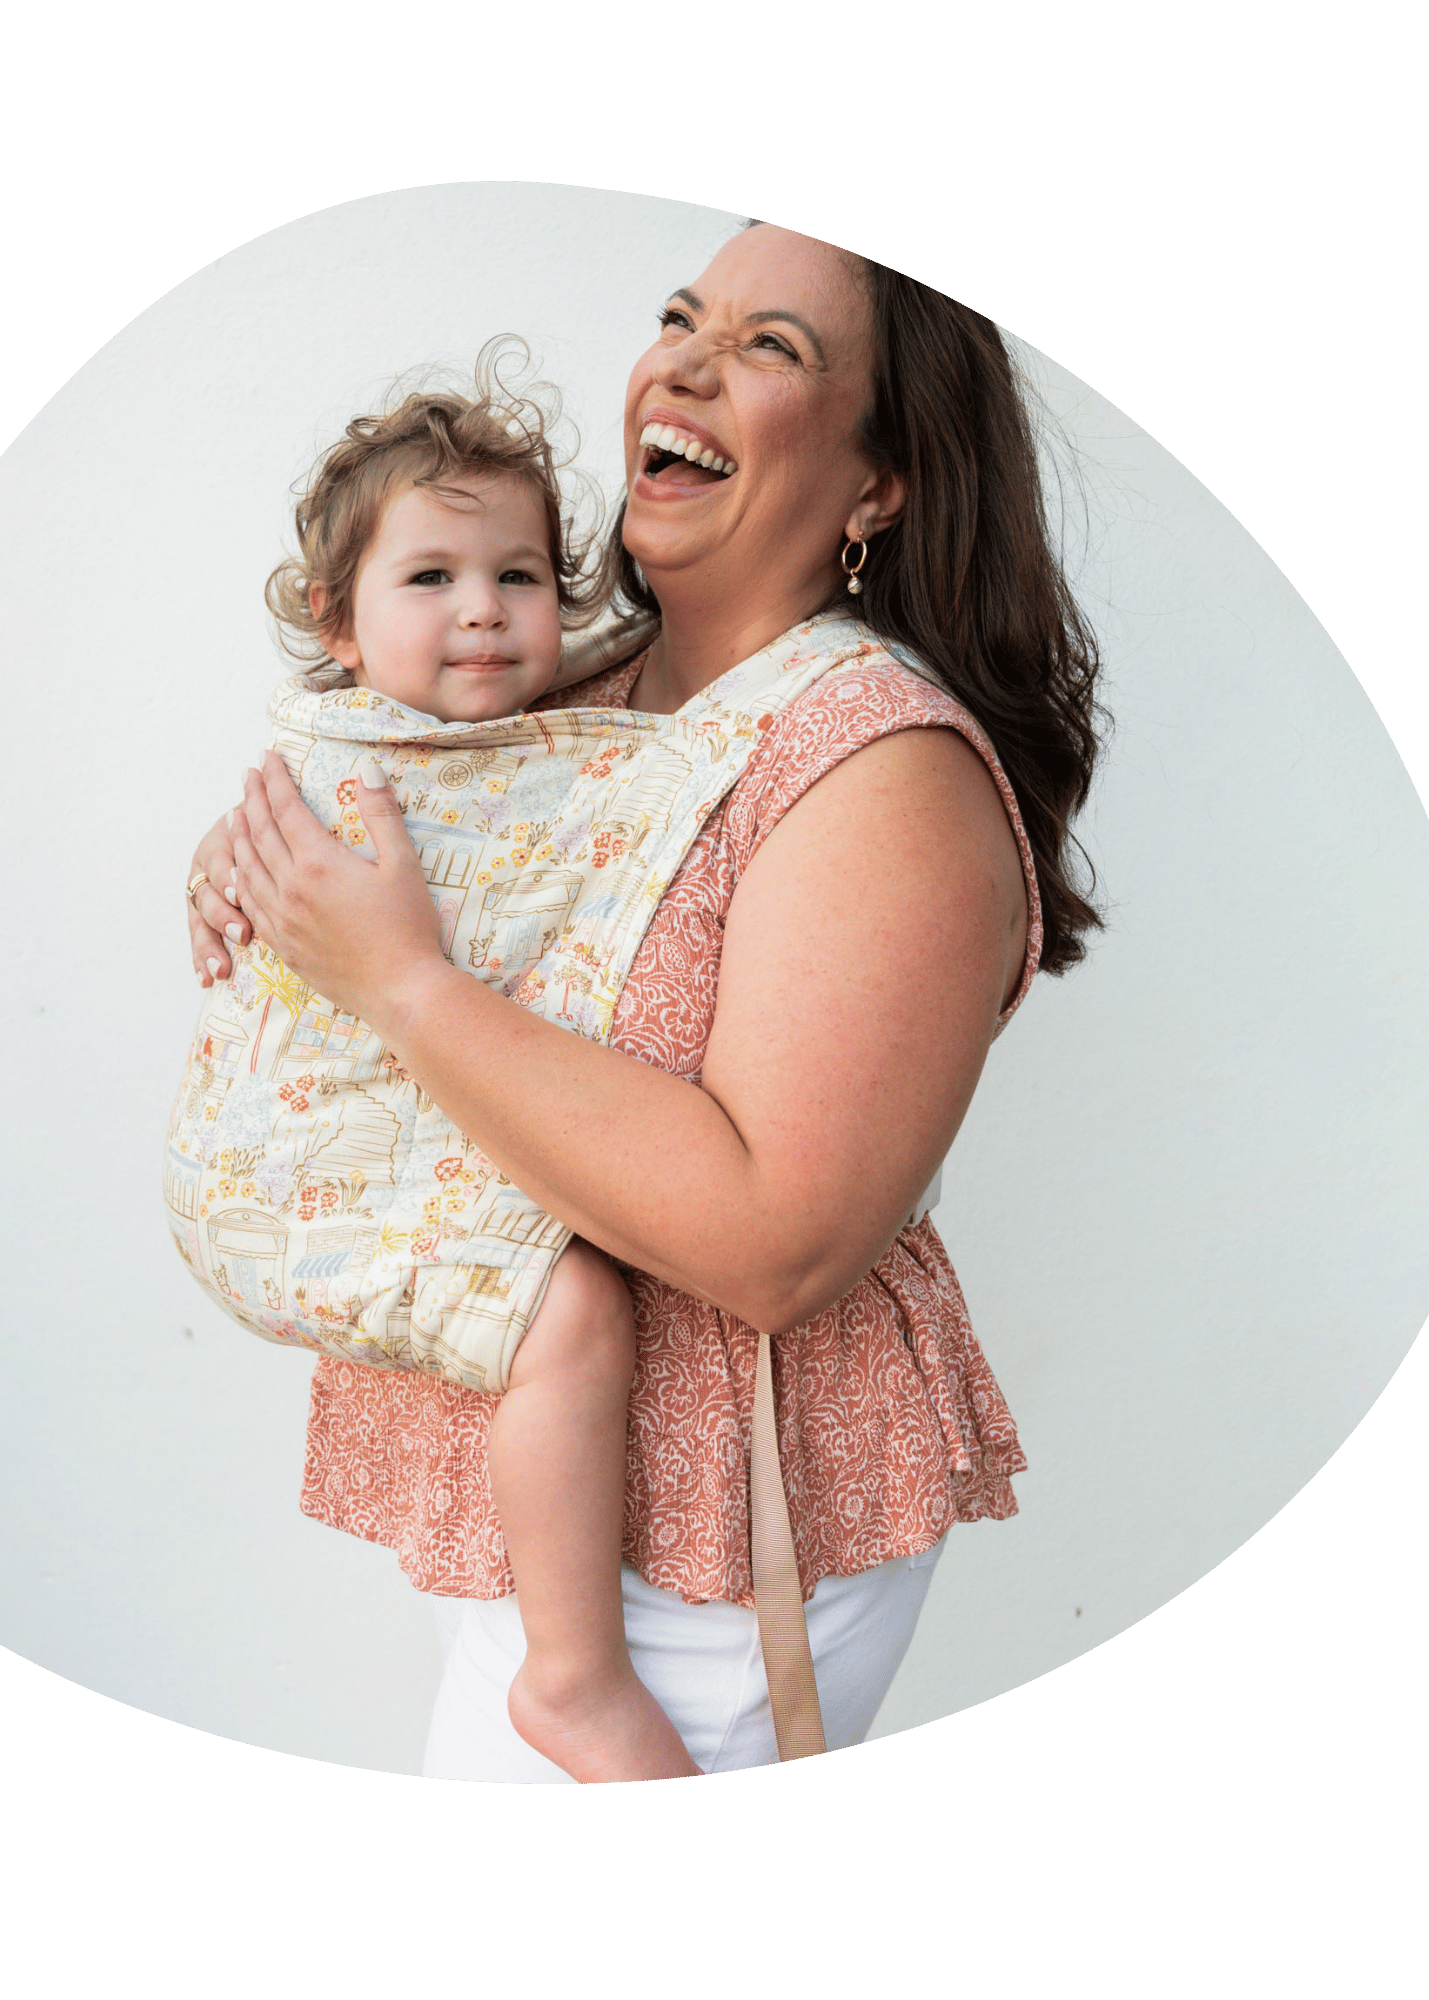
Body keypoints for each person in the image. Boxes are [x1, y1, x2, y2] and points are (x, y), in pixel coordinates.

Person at [186, 222, 1103, 1780]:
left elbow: (777, 1240)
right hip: (543, 1506)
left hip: (713, 1546)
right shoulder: (578, 683)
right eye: (683, 318)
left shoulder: (880, 770)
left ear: (880, 484)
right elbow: (404, 827)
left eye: (770, 347)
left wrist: (395, 978)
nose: (684, 364)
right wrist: (256, 866)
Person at [178, 356, 703, 1781]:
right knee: (570, 1310)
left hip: (414, 1138)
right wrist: (215, 874)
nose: (483, 609)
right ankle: (574, 1677)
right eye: (431, 579)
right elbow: (270, 861)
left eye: (518, 576)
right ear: (336, 625)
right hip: (298, 1168)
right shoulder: (341, 763)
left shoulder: (534, 744)